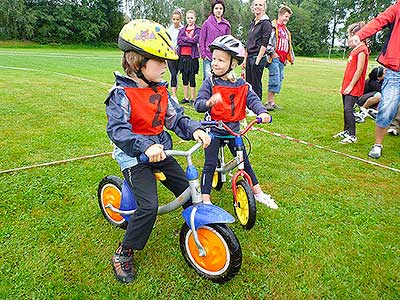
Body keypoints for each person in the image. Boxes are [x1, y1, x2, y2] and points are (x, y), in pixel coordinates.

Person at [105, 19, 211, 284]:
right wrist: (144, 146)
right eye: (160, 61)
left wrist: (194, 129)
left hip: (160, 151)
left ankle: (199, 230)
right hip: (134, 157)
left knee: (188, 190)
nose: (166, 66)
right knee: (149, 206)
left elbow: (175, 118)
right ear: (138, 62)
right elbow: (118, 131)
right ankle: (124, 252)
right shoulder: (120, 95)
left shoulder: (161, 90)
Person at [194, 35, 278, 209]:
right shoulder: (209, 82)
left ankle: (258, 193)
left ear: (233, 64)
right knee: (210, 164)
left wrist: (262, 112)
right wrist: (208, 103)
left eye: (220, 60)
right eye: (214, 59)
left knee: (244, 162)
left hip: (233, 130)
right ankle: (205, 199)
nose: (215, 63)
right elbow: (198, 104)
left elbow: (253, 100)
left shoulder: (242, 85)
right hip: (213, 130)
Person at [349, 0, 400, 159]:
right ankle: (377, 145)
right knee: (387, 107)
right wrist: (359, 35)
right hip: (395, 70)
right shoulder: (397, 7)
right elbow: (379, 21)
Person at [333, 22, 369, 144]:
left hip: (353, 86)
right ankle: (346, 131)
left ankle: (352, 135)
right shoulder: (354, 50)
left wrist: (351, 86)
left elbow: (359, 69)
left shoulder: (362, 50)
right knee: (345, 109)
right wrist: (344, 86)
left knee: (349, 109)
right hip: (346, 85)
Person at [265, 5, 295, 111]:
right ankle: (268, 102)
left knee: (279, 79)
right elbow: (267, 41)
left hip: (282, 59)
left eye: (288, 17)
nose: (287, 19)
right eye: (285, 16)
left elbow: (287, 44)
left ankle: (273, 102)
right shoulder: (273, 27)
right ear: (280, 15)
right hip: (274, 57)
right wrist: (272, 52)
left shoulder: (286, 30)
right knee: (274, 78)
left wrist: (288, 57)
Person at [244, 0, 273, 102]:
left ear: (264, 7)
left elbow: (264, 43)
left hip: (258, 57)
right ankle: (249, 105)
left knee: (256, 85)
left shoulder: (266, 23)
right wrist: (244, 59)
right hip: (249, 57)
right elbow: (248, 42)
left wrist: (258, 60)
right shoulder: (253, 23)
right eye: (256, 5)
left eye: (260, 5)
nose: (258, 7)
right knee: (248, 83)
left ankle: (257, 107)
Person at [199, 0, 231, 81]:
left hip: (221, 56)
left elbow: (228, 41)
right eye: (216, 8)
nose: (218, 10)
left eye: (220, 8)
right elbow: (202, 40)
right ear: (213, 10)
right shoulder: (207, 23)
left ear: (223, 10)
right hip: (208, 56)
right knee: (208, 78)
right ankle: (207, 93)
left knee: (220, 79)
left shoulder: (226, 25)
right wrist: (203, 55)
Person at [177, 10, 201, 104]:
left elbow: (196, 40)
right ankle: (186, 97)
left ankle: (193, 98)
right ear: (186, 19)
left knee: (192, 77)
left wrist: (185, 39)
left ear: (195, 18)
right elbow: (179, 41)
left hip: (192, 57)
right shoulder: (182, 30)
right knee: (184, 77)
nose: (190, 20)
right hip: (183, 56)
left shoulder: (198, 30)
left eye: (191, 18)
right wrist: (189, 39)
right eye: (188, 18)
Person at [167, 9, 184, 102]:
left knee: (177, 74)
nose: (175, 21)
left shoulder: (183, 29)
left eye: (177, 19)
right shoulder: (169, 30)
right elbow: (167, 41)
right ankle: (174, 96)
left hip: (180, 55)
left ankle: (187, 96)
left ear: (180, 19)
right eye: (174, 19)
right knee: (173, 74)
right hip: (171, 55)